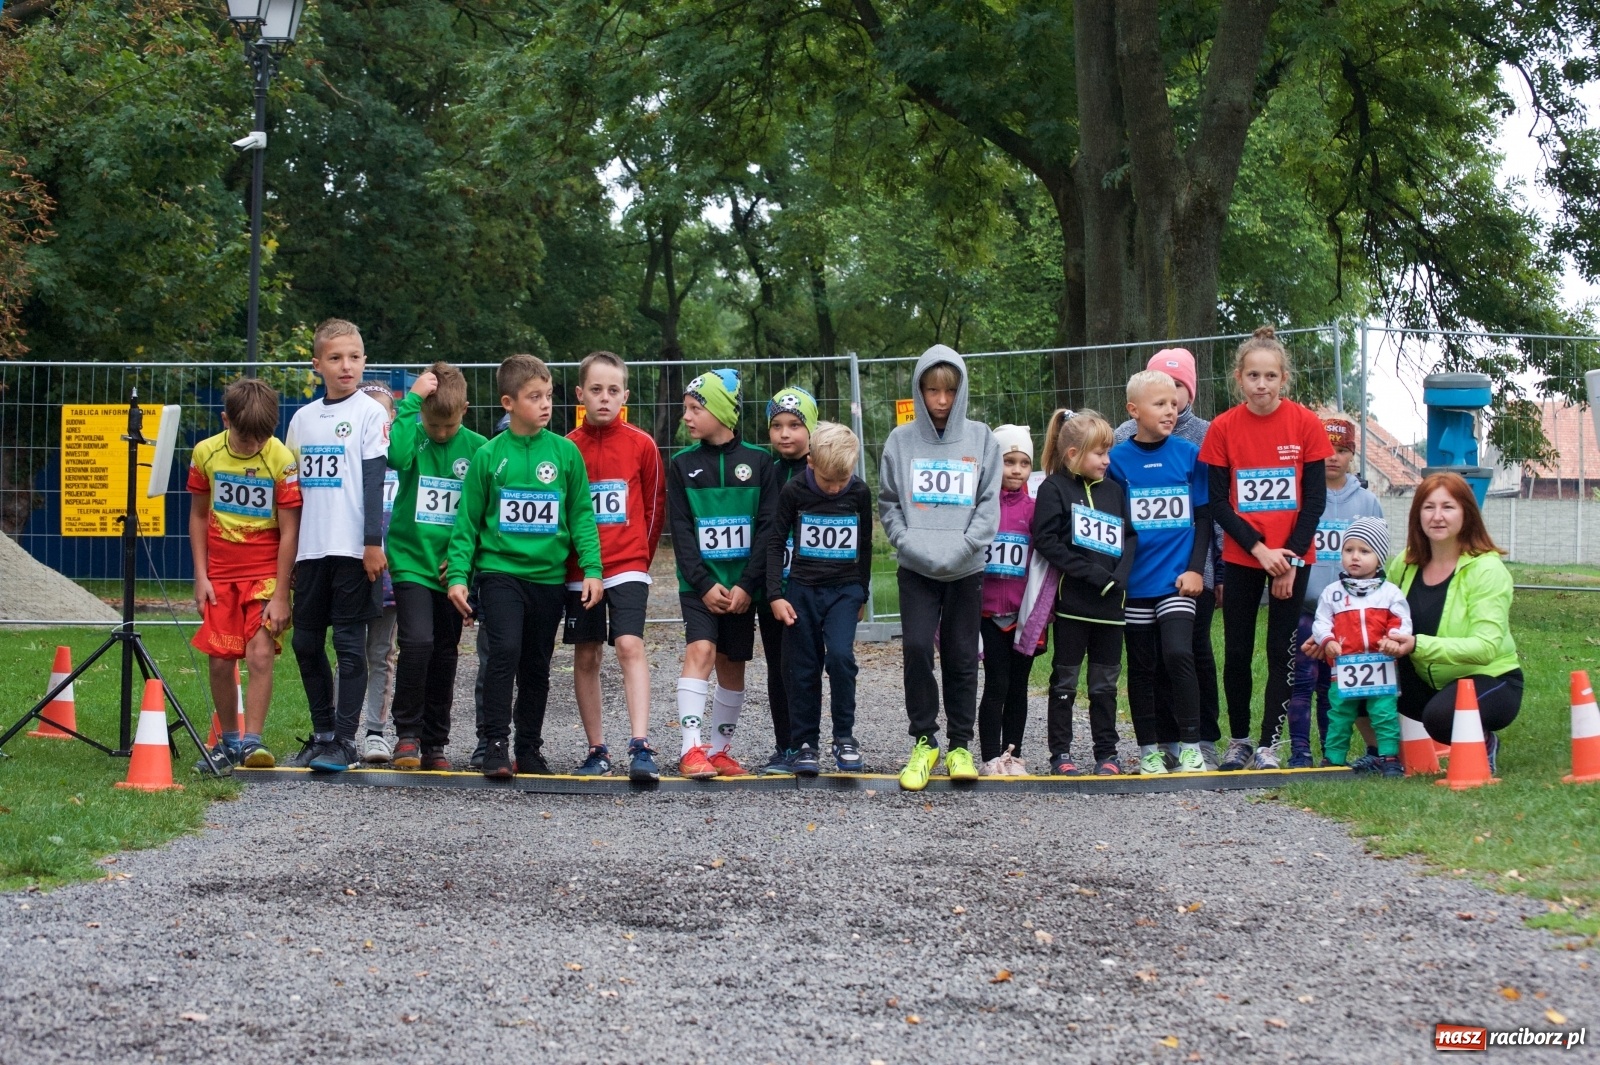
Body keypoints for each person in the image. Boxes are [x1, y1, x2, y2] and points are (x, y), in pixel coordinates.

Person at [445, 354, 603, 779]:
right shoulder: (488, 456)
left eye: (549, 395)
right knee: (505, 653)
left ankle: (529, 748)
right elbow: (468, 523)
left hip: (548, 579)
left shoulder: (566, 454)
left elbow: (582, 516)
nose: (545, 404)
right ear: (508, 403)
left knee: (536, 663)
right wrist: (458, 575)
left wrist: (592, 569)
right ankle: (494, 743)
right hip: (500, 575)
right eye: (535, 397)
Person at [1198, 326, 1332, 770]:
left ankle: (1269, 746)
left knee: (1281, 651)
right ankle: (1239, 741)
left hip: (1293, 559)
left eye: (1270, 376)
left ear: (1283, 379)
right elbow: (1219, 502)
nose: (1262, 384)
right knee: (1236, 650)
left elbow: (1314, 500)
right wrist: (1258, 550)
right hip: (1244, 556)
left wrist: (1289, 559)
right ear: (1239, 378)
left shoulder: (1306, 424)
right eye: (1253, 376)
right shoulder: (1222, 428)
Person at [878, 345, 1002, 791]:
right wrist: (909, 543)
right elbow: (889, 502)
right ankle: (924, 740)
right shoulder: (900, 441)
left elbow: (989, 504)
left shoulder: (982, 438)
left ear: (961, 391)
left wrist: (965, 548)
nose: (942, 400)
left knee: (963, 656)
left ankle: (959, 744)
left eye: (950, 391)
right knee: (915, 649)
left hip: (966, 569)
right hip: (916, 569)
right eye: (932, 391)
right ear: (920, 390)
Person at [284, 319, 391, 772]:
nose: (345, 366)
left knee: (350, 646)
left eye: (354, 357)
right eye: (335, 358)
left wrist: (372, 543)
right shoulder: (302, 419)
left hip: (352, 552)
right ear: (317, 365)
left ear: (363, 361)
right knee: (306, 644)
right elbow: (289, 494)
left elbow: (372, 483)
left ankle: (346, 741)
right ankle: (323, 733)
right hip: (310, 552)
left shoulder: (370, 413)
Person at [1114, 347, 1224, 766]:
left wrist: (1197, 569)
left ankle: (1193, 746)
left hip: (1179, 580)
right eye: (1160, 404)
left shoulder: (1188, 454)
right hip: (1136, 583)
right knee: (1142, 667)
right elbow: (1117, 524)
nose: (1170, 410)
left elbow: (1202, 516)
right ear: (1133, 411)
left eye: (1174, 403)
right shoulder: (1118, 460)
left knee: (1180, 653)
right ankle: (1150, 750)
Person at [667, 368, 779, 779]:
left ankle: (719, 749)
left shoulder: (760, 463)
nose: (688, 417)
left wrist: (747, 585)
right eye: (686, 409)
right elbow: (680, 531)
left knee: (733, 665)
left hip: (741, 590)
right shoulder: (681, 466)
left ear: (721, 412)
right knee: (700, 652)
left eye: (695, 408)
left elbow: (768, 529)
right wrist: (703, 582)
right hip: (699, 586)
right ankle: (690, 749)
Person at [187, 378, 301, 770]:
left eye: (261, 438)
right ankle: (227, 743)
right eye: (244, 437)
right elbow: (199, 515)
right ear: (225, 420)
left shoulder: (281, 459)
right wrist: (200, 576)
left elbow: (290, 531)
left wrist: (281, 593)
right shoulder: (205, 453)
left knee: (259, 653)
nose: (253, 446)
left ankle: (253, 743)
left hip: (265, 572)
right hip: (220, 573)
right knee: (220, 660)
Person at [564, 350, 667, 782]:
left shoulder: (642, 444)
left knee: (629, 645)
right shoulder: (567, 447)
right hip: (579, 571)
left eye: (612, 390)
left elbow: (655, 504)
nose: (604, 398)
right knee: (586, 654)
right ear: (580, 394)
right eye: (595, 390)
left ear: (625, 394)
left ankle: (640, 744)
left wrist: (639, 557)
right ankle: (596, 748)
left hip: (627, 564)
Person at [384, 362, 485, 771]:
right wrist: (410, 402)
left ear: (464, 409)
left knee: (445, 652)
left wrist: (464, 564)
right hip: (410, 562)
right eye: (433, 424)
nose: (441, 433)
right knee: (418, 643)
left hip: (452, 570)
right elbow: (396, 455)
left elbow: (482, 514)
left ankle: (435, 741)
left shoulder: (479, 448)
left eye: (448, 425)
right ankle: (406, 733)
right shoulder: (414, 435)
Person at [1386, 472, 1521, 774]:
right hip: (1428, 676)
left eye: (1448, 507)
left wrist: (1418, 645)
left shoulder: (1487, 569)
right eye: (1428, 507)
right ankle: (1383, 757)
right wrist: (1333, 634)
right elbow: (1378, 612)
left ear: (1466, 514)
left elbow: (1485, 648)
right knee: (1356, 676)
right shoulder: (1404, 563)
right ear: (1417, 514)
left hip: (1492, 678)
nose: (1437, 517)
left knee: (1441, 719)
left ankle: (1484, 741)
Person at [764, 422, 873, 775]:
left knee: (841, 659)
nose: (835, 488)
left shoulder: (859, 492)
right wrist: (775, 596)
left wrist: (862, 593)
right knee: (804, 667)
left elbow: (865, 545)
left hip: (844, 592)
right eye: (828, 481)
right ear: (811, 462)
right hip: (802, 592)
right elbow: (776, 541)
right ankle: (805, 742)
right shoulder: (794, 491)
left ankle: (844, 737)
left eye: (842, 480)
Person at [1032, 409, 1137, 776]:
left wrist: (1119, 576)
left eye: (1108, 452)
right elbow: (1046, 540)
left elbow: (1130, 536)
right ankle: (1060, 753)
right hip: (1074, 606)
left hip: (1112, 608)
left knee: (1105, 684)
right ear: (1073, 454)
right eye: (1099, 453)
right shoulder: (1054, 489)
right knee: (1065, 680)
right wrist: (1092, 574)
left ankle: (1107, 753)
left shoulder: (1114, 490)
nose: (1107, 460)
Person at [1290, 417, 1385, 767]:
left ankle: (1333, 754)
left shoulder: (1367, 502)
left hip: (1347, 613)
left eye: (1342, 450)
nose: (1333, 457)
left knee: (1335, 686)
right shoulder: (1302, 493)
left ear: (1352, 455)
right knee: (1302, 680)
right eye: (1327, 449)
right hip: (1306, 605)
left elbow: (1379, 552)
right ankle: (1300, 750)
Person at [1302, 517, 1411, 776]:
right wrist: (1327, 640)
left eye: (1365, 551)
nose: (1355, 557)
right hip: (1344, 666)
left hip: (1380, 666)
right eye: (1349, 550)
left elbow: (1402, 621)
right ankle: (1333, 759)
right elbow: (1321, 622)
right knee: (1339, 714)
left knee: (1384, 714)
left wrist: (1393, 638)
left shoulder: (1390, 593)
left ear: (1380, 557)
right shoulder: (1332, 592)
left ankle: (1389, 757)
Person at [754, 385, 817, 776]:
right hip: (773, 587)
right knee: (777, 666)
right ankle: (785, 744)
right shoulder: (767, 472)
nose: (785, 434)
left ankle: (809, 740)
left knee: (806, 665)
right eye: (777, 425)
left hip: (811, 587)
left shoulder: (822, 471)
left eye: (795, 425)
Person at [978, 424, 1038, 776]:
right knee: (996, 682)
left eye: (1024, 463)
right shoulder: (983, 507)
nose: (1016, 470)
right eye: (1008, 461)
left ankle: (1012, 755)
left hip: (1021, 615)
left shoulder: (1034, 509)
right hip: (987, 614)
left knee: (1018, 686)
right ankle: (989, 756)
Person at [354, 379, 400, 765]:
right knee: (350, 650)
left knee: (381, 653)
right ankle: (340, 728)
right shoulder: (351, 465)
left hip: (390, 581)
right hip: (351, 574)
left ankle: (375, 731)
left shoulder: (400, 466)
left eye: (382, 413)